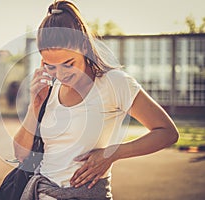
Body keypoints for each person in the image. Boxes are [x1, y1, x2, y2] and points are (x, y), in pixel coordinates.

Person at [13, 1, 179, 199]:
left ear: (84, 46)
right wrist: (36, 105)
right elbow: (21, 154)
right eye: (51, 66)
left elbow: (167, 133)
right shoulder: (49, 89)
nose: (61, 74)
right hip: (41, 192)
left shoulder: (114, 83)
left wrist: (112, 153)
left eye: (68, 64)